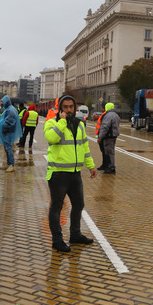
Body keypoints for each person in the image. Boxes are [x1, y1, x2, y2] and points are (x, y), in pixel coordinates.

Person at [43, 95, 97, 252]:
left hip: (75, 174)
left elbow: (84, 147)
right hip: (58, 174)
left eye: (71, 107)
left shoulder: (79, 125)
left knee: (79, 204)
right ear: (60, 109)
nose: (68, 110)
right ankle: (57, 240)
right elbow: (51, 139)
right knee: (56, 207)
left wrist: (91, 166)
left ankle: (75, 234)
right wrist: (61, 123)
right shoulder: (52, 123)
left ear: (75, 108)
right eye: (65, 107)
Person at [0, 95, 20, 172]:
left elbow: (10, 122)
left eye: (3, 102)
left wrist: (4, 128)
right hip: (7, 131)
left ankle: (11, 165)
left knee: (8, 148)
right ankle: (8, 163)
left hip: (8, 131)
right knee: (7, 148)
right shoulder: (9, 109)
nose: (2, 104)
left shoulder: (10, 110)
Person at [98, 102, 120, 174]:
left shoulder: (108, 116)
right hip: (114, 136)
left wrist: (100, 137)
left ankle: (111, 167)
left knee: (108, 152)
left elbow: (105, 127)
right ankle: (110, 166)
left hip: (108, 136)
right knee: (112, 152)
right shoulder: (116, 115)